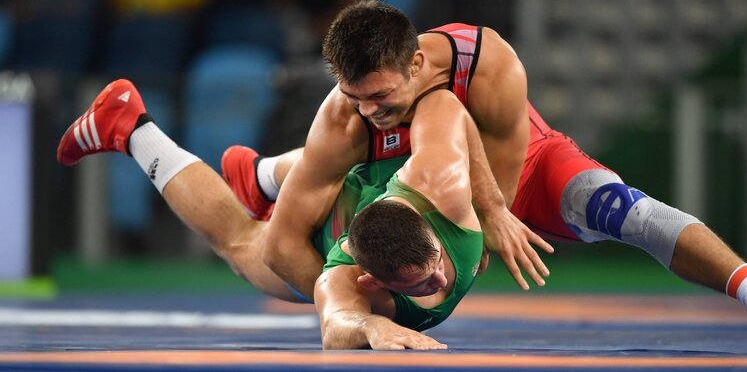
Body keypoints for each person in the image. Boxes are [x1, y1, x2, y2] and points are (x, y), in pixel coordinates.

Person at [223, 0, 747, 355]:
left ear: (416, 63)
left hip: (517, 173)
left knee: (628, 212)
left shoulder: (489, 62)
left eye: (380, 97)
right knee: (278, 247)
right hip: (410, 187)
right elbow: (282, 249)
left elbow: (498, 202)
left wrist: (475, 231)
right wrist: (353, 306)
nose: (369, 110)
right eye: (356, 98)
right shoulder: (345, 114)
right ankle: (270, 175)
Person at [56, 79, 484, 349]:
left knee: (345, 157)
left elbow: (445, 105)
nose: (440, 280)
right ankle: (132, 129)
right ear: (369, 280)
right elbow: (336, 324)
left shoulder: (441, 188)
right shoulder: (342, 279)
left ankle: (264, 176)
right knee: (240, 242)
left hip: (355, 183)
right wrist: (370, 328)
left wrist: (496, 206)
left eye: (432, 265)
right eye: (422, 281)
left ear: (427, 225)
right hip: (316, 232)